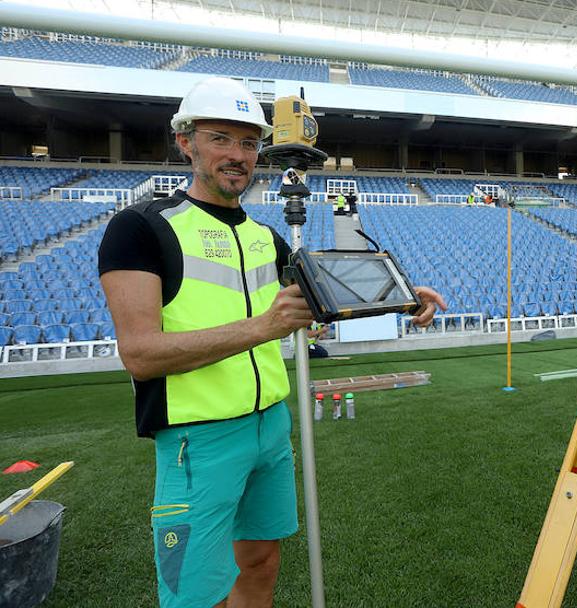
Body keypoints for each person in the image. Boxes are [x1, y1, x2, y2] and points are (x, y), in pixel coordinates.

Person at [98, 77, 446, 608]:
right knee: (196, 591)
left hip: (270, 426)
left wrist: (402, 299)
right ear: (186, 141)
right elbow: (141, 355)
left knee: (261, 562)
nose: (237, 155)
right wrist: (263, 327)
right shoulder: (139, 228)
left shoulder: (266, 237)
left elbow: (323, 303)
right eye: (220, 139)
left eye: (248, 142)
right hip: (199, 438)